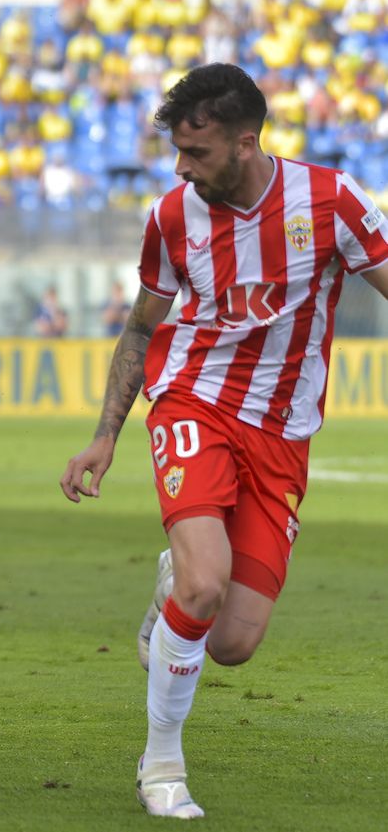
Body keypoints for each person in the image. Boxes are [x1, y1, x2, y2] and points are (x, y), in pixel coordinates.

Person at [59, 63, 388, 820]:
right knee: (205, 586)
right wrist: (105, 435)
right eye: (176, 150)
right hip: (191, 403)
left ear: (246, 142)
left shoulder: (331, 202)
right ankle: (162, 763)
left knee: (233, 641)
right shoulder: (173, 216)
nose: (181, 167)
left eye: (196, 152)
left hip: (283, 431)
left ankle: (174, 581)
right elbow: (143, 326)